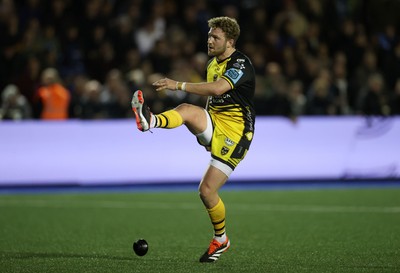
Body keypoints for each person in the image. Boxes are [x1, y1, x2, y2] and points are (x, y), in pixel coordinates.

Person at [131, 16, 256, 262]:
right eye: (209, 35)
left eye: (215, 37)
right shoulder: (212, 63)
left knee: (206, 191)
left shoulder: (241, 63)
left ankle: (221, 239)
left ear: (230, 41)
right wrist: (202, 128)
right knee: (187, 109)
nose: (209, 40)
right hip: (214, 121)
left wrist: (177, 84)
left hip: (237, 132)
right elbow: (212, 99)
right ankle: (150, 121)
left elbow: (219, 89)